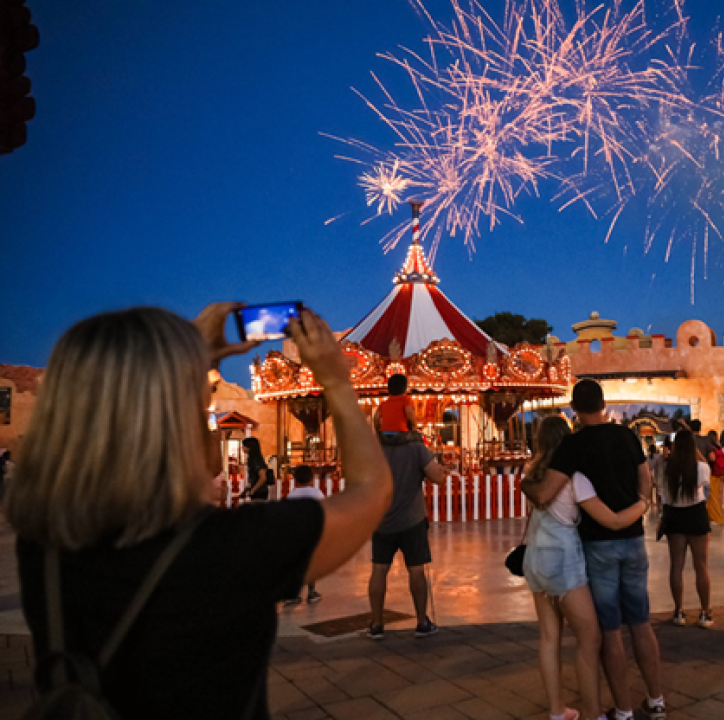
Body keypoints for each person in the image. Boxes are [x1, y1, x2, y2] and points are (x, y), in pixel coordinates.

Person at [7, 303, 392, 719]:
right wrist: (336, 380)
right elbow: (371, 489)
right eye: (202, 395)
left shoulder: (40, 543)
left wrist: (189, 359)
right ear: (175, 416)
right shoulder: (230, 549)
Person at [524, 380, 666, 720]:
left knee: (610, 631)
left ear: (575, 408)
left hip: (596, 544)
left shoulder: (573, 446)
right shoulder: (628, 436)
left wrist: (525, 482)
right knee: (641, 623)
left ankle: (622, 709)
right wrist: (643, 503)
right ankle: (656, 700)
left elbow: (545, 494)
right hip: (632, 540)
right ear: (603, 404)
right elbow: (645, 478)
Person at [367, 422, 447, 640]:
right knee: (416, 569)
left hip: (382, 519)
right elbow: (437, 477)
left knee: (379, 569)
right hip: (412, 519)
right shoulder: (416, 448)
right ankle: (421, 621)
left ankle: (376, 623)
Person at [660, 430, 712, 628]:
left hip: (675, 515)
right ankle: (705, 612)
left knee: (676, 566)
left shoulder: (665, 468)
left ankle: (679, 611)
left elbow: (661, 490)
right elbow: (705, 478)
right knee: (701, 566)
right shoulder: (700, 467)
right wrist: (696, 452)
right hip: (696, 514)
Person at [283, 465, 325, 607]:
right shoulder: (317, 492)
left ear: (295, 480)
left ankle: (291, 595)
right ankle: (311, 592)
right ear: (312, 479)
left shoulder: (292, 494)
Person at [705, 430, 724, 524]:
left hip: (712, 473)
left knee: (712, 497)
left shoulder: (710, 447)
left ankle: (716, 517)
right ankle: (717, 515)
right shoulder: (719, 447)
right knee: (717, 496)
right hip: (719, 473)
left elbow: (712, 459)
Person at [241, 437, 273, 501]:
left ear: (249, 447)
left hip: (259, 492)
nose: (242, 448)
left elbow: (263, 478)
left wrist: (252, 491)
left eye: (244, 446)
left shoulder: (256, 460)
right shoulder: (252, 459)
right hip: (258, 491)